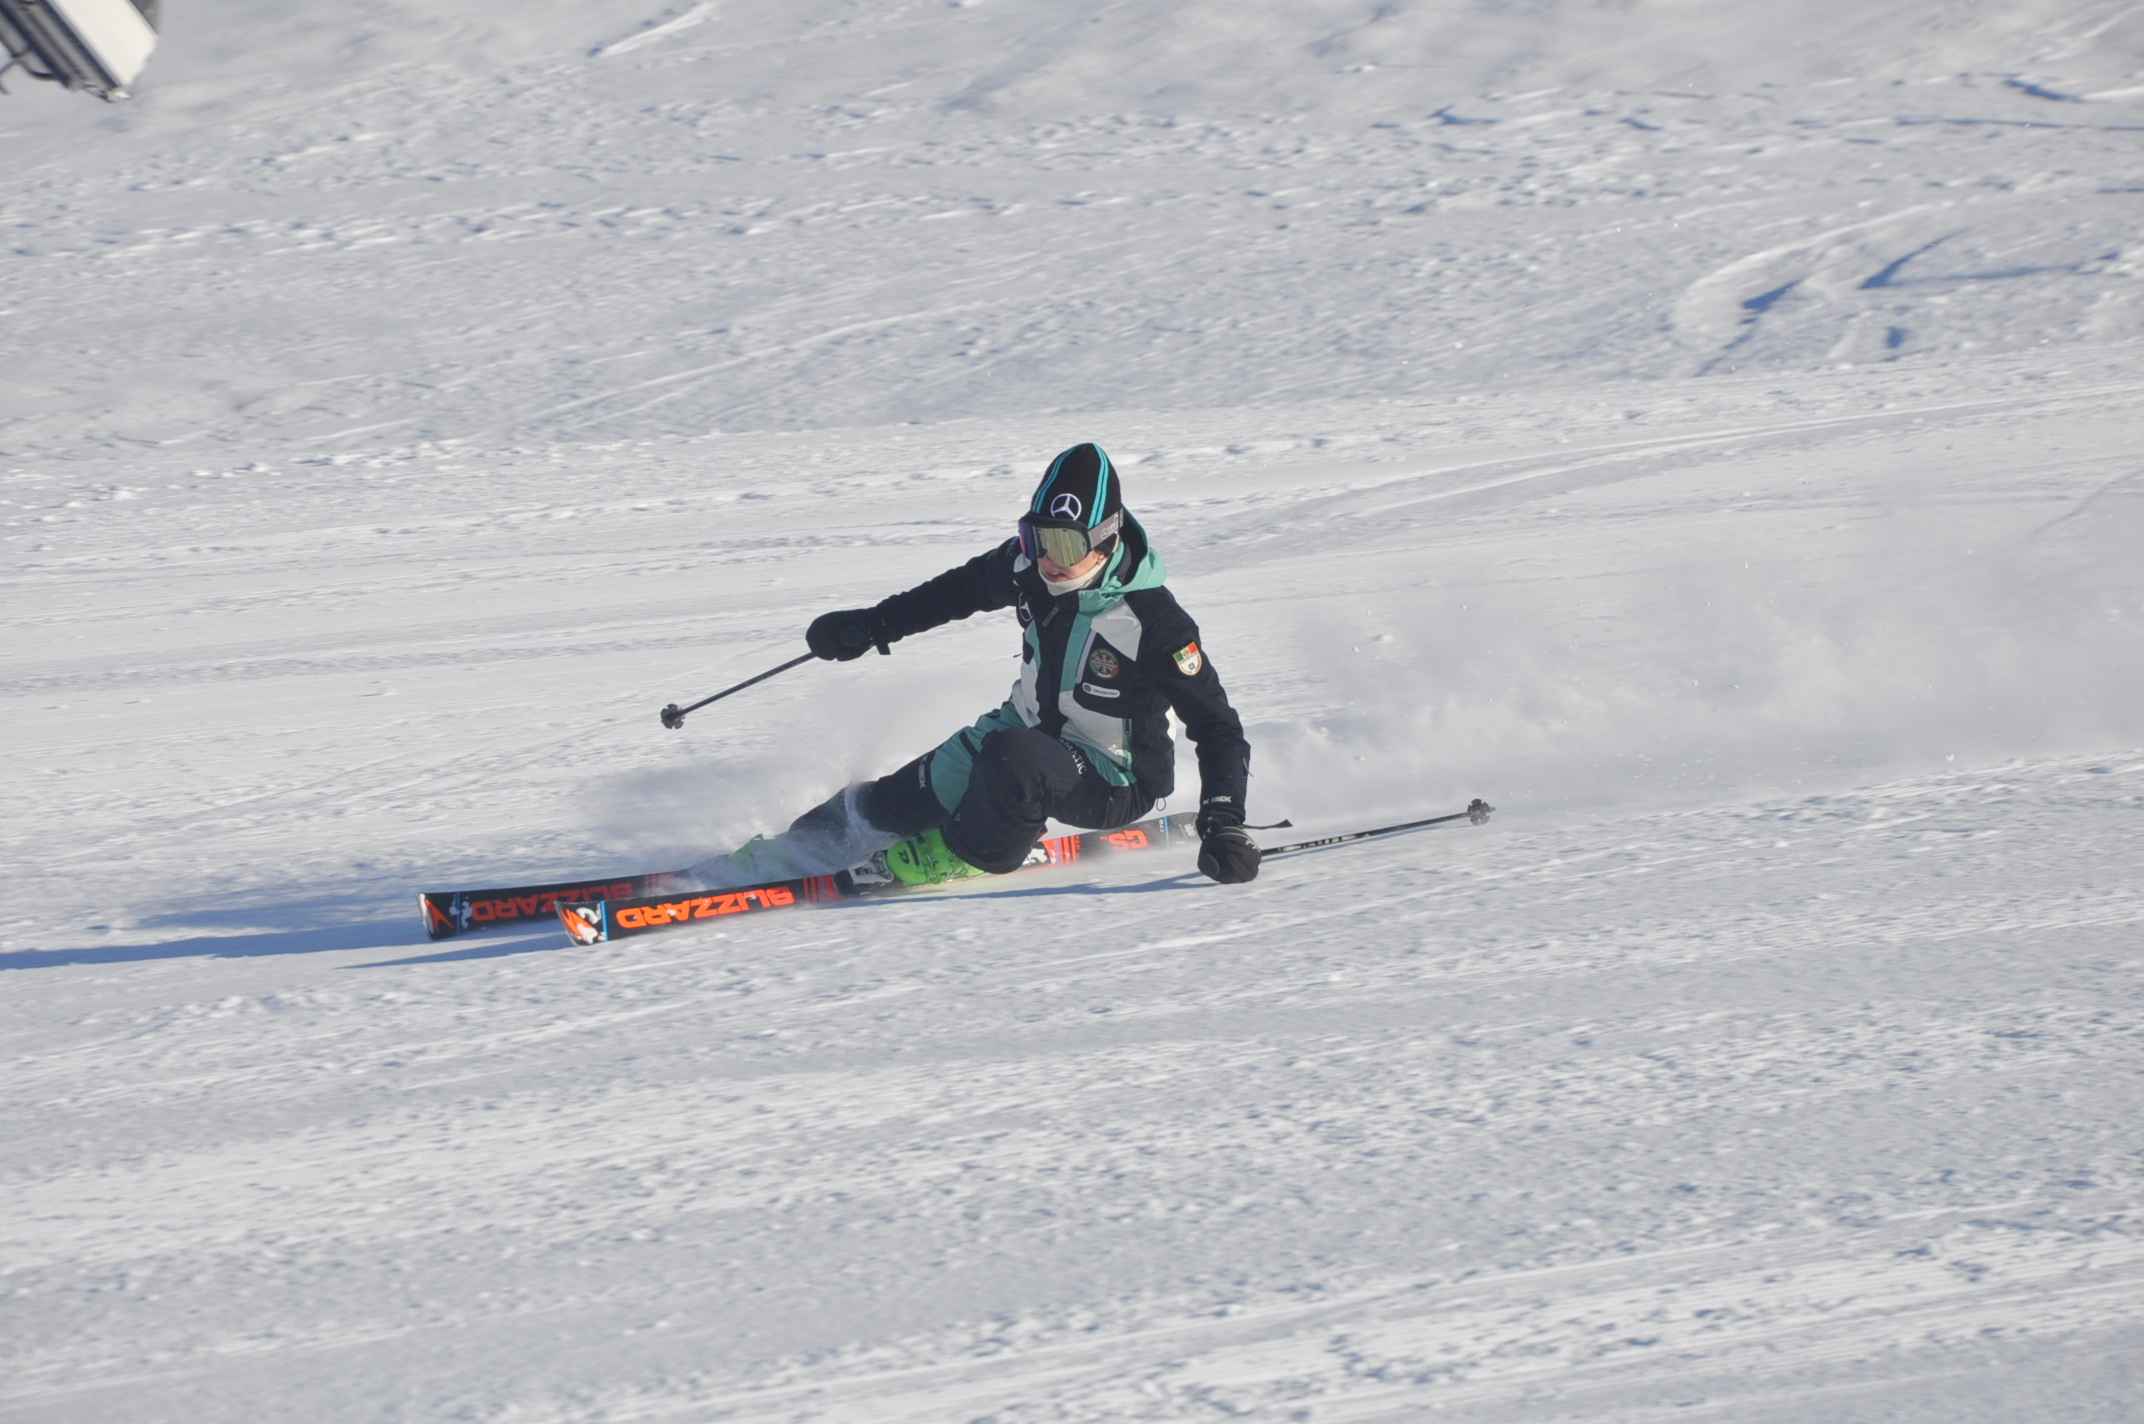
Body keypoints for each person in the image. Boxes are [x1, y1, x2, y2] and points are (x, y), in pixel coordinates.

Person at [691, 441, 1260, 890]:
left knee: (1017, 761)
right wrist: (871, 625)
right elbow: (954, 593)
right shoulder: (1028, 569)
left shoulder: (1156, 623)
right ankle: (787, 854)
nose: (1046, 560)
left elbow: (1217, 728)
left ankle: (959, 853)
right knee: (882, 803)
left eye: (1063, 546)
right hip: (1012, 738)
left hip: (1112, 777)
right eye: (1035, 539)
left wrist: (1223, 819)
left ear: (1107, 538)